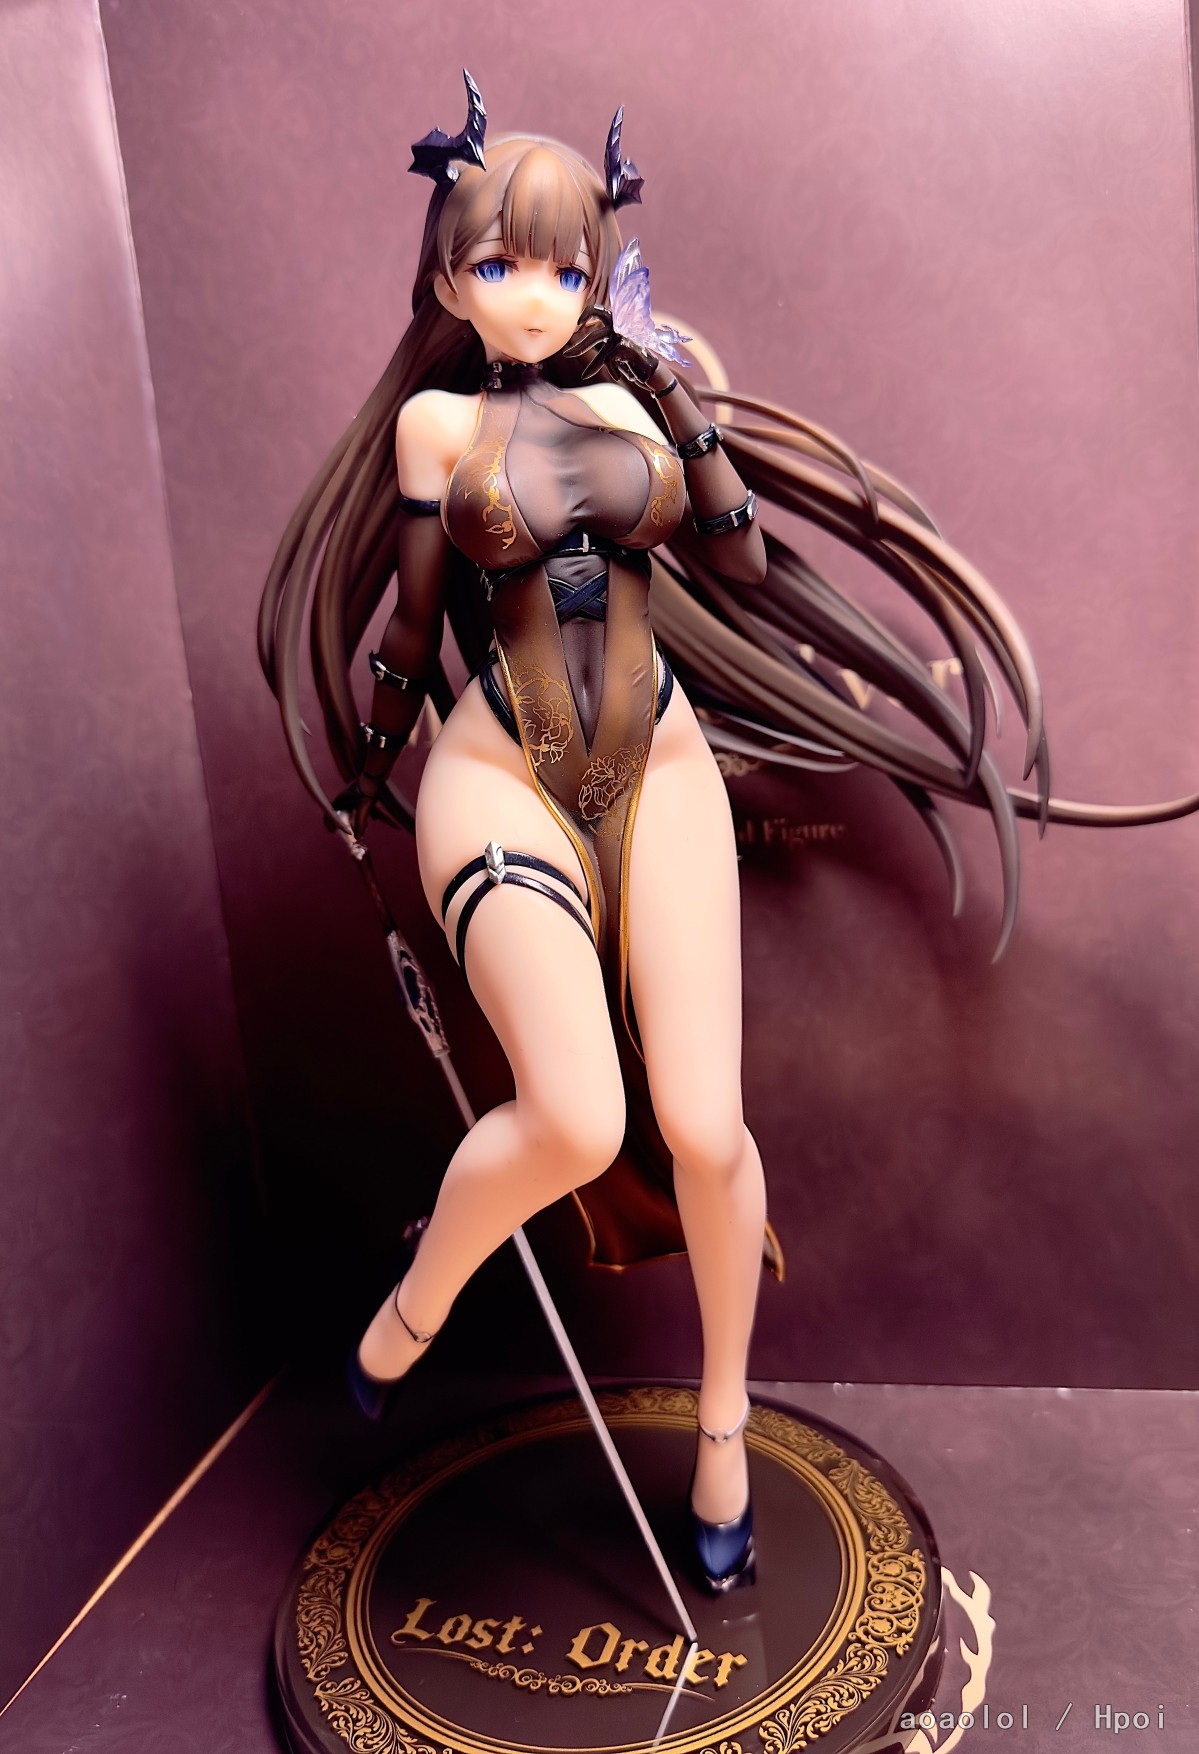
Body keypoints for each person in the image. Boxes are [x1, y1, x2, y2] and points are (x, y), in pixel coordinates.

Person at [258, 72, 1198, 1593]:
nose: (534, 294)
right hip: (499, 779)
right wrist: (368, 767)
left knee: (704, 1128)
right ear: (445, 282)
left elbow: (744, 564)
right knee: (577, 1117)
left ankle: (722, 1423)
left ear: (598, 270)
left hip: (664, 765)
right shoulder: (438, 425)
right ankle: (418, 1300)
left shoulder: (640, 397)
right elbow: (412, 628)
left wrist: (679, 398)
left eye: (564, 265)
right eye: (498, 264)